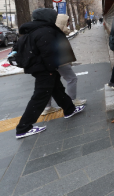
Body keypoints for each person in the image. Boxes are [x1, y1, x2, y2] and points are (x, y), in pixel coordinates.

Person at [15, 8, 85, 139]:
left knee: (57, 89)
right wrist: (51, 70)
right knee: (40, 97)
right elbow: (48, 53)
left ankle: (69, 109)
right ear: (48, 17)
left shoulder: (34, 29)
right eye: (53, 16)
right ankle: (23, 128)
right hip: (45, 70)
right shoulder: (45, 31)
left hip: (40, 68)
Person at [41, 14, 87, 115]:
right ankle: (72, 100)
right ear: (62, 22)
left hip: (49, 63)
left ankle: (47, 107)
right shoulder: (57, 32)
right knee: (72, 78)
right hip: (59, 61)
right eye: (67, 22)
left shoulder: (49, 31)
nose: (69, 24)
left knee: (51, 84)